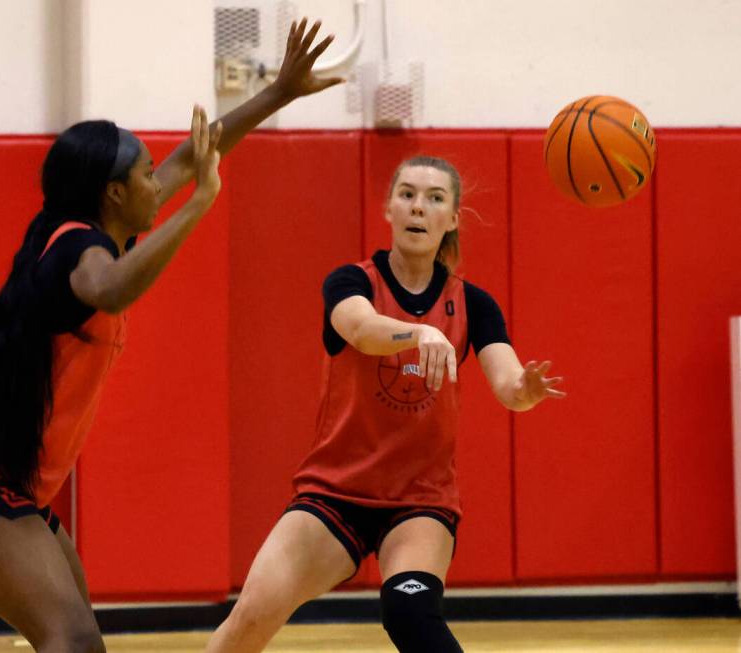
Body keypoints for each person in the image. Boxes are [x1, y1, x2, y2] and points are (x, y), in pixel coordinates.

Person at [0, 19, 341, 653]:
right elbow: (110, 288)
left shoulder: (100, 227)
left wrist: (279, 92)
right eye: (147, 175)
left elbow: (195, 153)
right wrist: (200, 204)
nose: (158, 182)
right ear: (114, 193)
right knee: (74, 642)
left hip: (12, 486)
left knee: (81, 644)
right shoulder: (79, 251)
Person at [205, 156, 566, 653]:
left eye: (436, 198)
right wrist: (418, 332)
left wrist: (525, 391)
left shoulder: (473, 304)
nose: (420, 206)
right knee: (248, 621)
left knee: (410, 614)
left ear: (453, 218)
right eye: (408, 194)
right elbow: (361, 329)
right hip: (335, 494)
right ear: (389, 208)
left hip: (420, 500)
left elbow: (508, 384)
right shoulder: (352, 282)